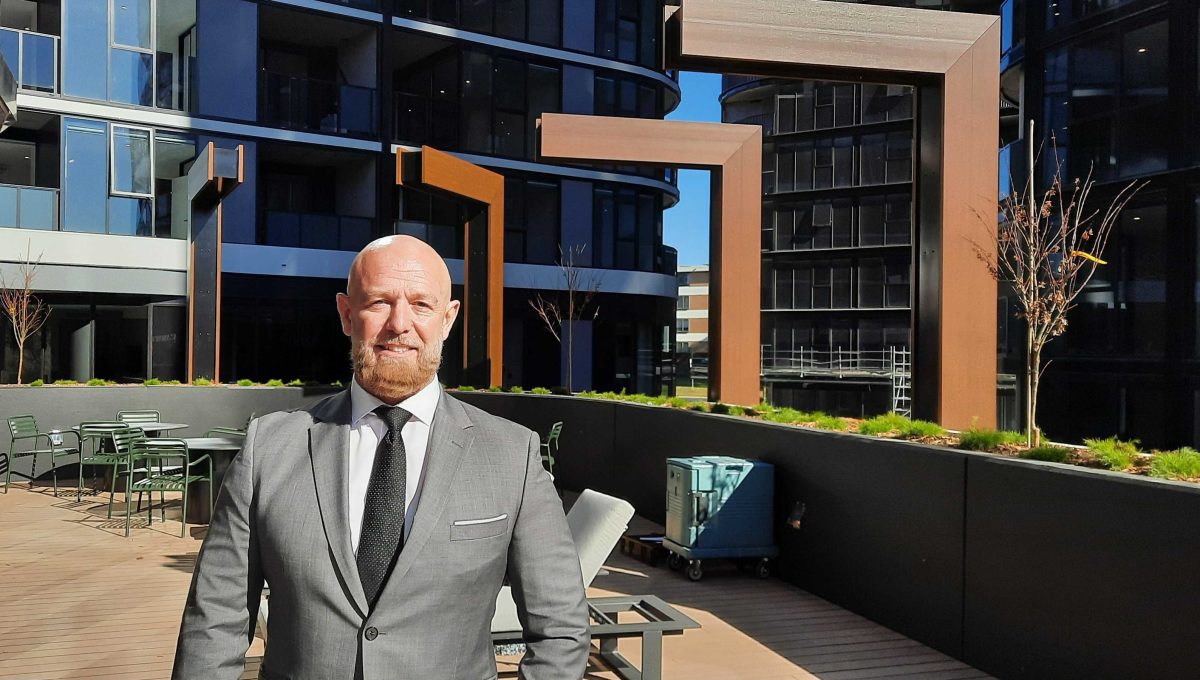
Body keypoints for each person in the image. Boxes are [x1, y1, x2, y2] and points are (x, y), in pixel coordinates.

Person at [173, 235, 589, 680]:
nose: (400, 324)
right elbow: (215, 621)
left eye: (421, 305)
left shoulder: (513, 455)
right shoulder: (268, 448)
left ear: (448, 319)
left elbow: (560, 628)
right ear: (346, 315)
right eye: (379, 302)